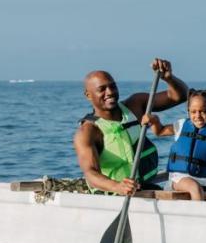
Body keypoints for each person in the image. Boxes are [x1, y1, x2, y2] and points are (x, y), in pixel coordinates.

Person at [74, 58, 187, 195]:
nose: (109, 92)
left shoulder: (136, 105)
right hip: (112, 195)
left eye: (113, 86)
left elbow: (179, 96)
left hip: (143, 188)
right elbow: (90, 173)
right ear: (88, 95)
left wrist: (169, 78)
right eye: (101, 89)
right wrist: (117, 187)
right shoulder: (88, 131)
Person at [142, 88, 206, 202]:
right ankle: (197, 219)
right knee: (195, 188)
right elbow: (160, 131)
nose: (198, 115)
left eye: (203, 111)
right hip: (179, 178)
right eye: (193, 112)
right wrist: (154, 120)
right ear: (188, 111)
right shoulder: (181, 125)